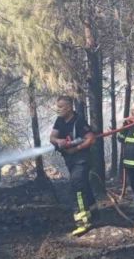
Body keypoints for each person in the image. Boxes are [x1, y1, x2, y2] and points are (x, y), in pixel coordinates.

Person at [49, 95, 97, 236]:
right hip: (70, 160)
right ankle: (94, 213)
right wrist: (59, 141)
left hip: (82, 159)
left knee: (76, 185)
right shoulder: (59, 121)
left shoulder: (79, 120)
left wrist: (75, 149)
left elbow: (91, 139)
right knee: (84, 185)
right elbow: (52, 137)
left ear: (69, 107)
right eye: (57, 107)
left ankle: (83, 222)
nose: (58, 110)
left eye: (61, 107)